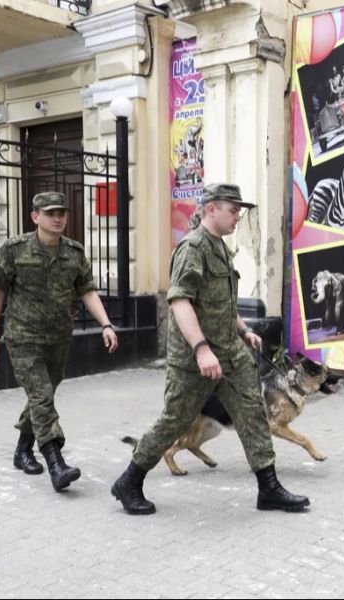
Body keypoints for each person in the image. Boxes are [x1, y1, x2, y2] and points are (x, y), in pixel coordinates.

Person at [111, 183, 309, 515]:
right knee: (175, 421)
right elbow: (179, 300)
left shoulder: (218, 248)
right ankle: (130, 480)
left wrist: (244, 329)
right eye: (233, 209)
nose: (238, 216)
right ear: (210, 209)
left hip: (230, 355)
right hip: (194, 360)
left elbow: (221, 303)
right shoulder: (192, 248)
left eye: (239, 210)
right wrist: (202, 349)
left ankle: (269, 488)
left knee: (252, 414)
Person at [0, 191, 119, 492]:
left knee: (42, 398)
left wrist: (106, 324)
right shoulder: (14, 249)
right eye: (50, 213)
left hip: (58, 337)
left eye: (62, 213)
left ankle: (22, 450)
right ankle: (56, 463)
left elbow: (87, 290)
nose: (57, 218)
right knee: (42, 395)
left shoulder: (74, 252)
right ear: (35, 216)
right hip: (23, 336)